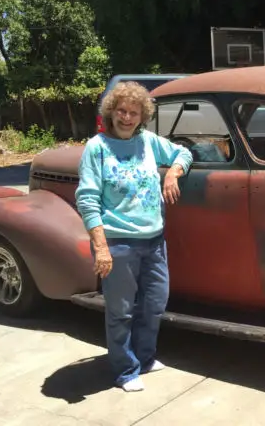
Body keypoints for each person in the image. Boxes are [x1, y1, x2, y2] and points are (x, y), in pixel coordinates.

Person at [75, 81, 193, 392]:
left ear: (143, 115)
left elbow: (183, 152)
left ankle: (145, 357)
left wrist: (173, 172)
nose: (127, 117)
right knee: (121, 310)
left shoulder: (148, 141)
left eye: (134, 112)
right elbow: (87, 198)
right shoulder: (96, 148)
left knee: (154, 303)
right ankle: (125, 370)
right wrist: (101, 248)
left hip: (154, 240)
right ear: (111, 113)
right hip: (118, 242)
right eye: (122, 111)